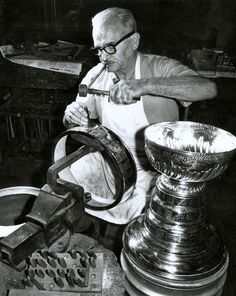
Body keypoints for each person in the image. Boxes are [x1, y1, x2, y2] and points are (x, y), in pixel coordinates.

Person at [63, 7, 217, 228]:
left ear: (134, 41)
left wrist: (144, 85)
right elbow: (72, 124)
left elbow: (208, 88)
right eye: (98, 49)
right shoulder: (97, 75)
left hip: (154, 171)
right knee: (63, 183)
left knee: (146, 230)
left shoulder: (158, 67)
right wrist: (71, 116)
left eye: (110, 47)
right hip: (112, 163)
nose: (104, 57)